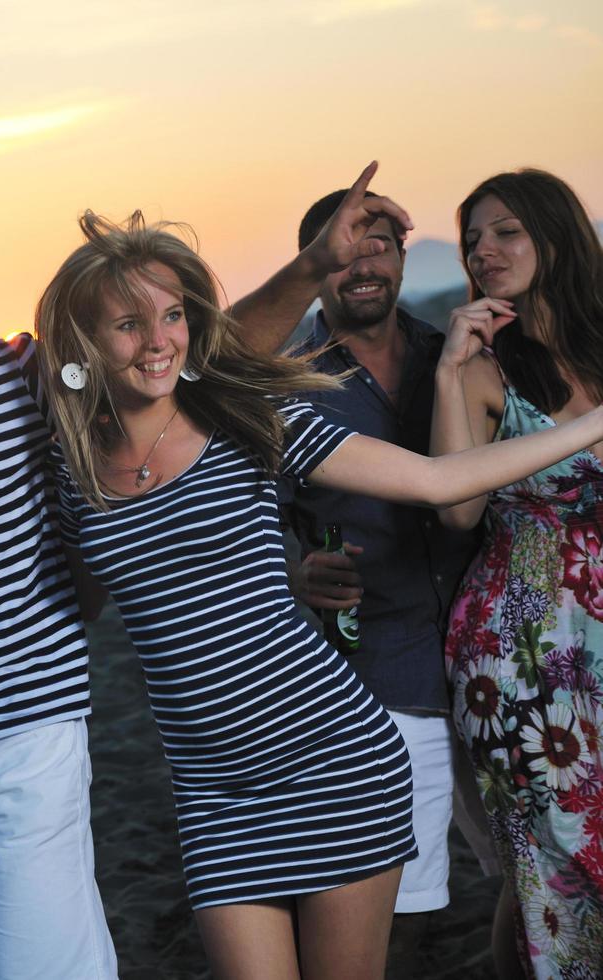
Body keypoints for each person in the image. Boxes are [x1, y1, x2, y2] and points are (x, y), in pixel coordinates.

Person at [33, 199, 603, 979]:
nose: (158, 340)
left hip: (333, 760)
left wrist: (590, 425)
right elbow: (82, 595)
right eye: (128, 324)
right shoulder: (72, 466)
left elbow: (438, 479)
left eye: (172, 315)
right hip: (213, 798)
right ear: (87, 341)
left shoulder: (248, 419)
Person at [278, 188, 484, 965]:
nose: (362, 266)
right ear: (312, 269)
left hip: (486, 660)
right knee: (401, 910)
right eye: (342, 251)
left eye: (379, 247)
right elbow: (244, 513)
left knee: (534, 872)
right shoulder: (285, 383)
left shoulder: (452, 355)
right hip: (379, 679)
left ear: (403, 255)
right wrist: (295, 571)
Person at [430, 168, 603, 979]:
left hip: (597, 636)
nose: (483, 250)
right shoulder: (483, 370)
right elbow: (456, 511)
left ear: (555, 235)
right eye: (471, 239)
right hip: (523, 651)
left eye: (504, 232)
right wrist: (446, 370)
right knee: (548, 862)